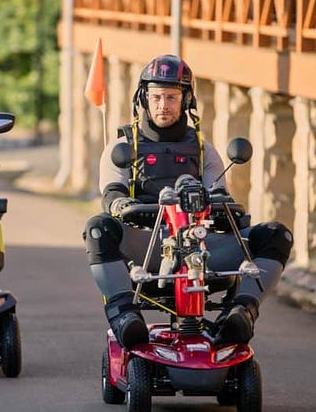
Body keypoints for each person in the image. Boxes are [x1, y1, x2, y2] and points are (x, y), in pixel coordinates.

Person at [83, 54, 293, 350]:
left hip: (201, 246)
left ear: (186, 100)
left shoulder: (204, 151)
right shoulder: (121, 147)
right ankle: (125, 317)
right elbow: (112, 196)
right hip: (147, 247)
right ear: (144, 98)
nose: (163, 105)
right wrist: (125, 207)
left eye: (171, 97)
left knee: (276, 234)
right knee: (97, 229)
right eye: (156, 97)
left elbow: (220, 196)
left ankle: (241, 312)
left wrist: (221, 210)